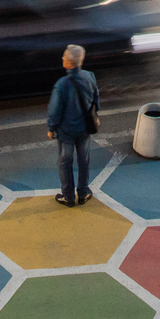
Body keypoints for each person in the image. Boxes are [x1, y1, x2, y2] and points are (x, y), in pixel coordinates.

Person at [46, 44, 100, 207]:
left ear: (69, 63)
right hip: (84, 129)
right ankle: (83, 192)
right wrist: (95, 115)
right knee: (84, 160)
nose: (62, 58)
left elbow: (54, 110)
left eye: (64, 56)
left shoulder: (61, 84)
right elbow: (95, 99)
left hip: (66, 131)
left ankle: (68, 196)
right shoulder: (90, 76)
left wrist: (51, 128)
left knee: (65, 161)